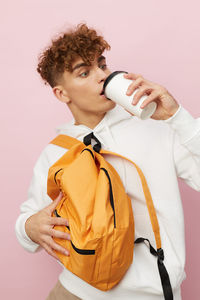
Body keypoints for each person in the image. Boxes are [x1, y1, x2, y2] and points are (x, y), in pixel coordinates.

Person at [15, 23, 200, 300]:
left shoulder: (156, 127)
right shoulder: (55, 153)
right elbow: (29, 218)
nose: (103, 75)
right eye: (85, 72)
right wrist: (28, 227)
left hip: (150, 293)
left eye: (102, 64)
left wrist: (177, 117)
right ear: (62, 94)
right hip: (76, 291)